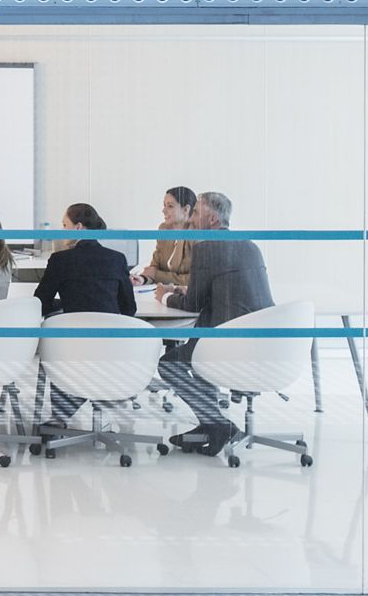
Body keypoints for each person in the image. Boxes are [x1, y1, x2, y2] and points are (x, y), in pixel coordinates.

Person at [160, 191, 272, 456]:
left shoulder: (207, 248)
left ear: (211, 219)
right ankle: (211, 426)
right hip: (262, 344)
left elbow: (192, 304)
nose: (191, 220)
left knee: (169, 364)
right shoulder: (249, 245)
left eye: (196, 213)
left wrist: (165, 295)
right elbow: (224, 288)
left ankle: (218, 425)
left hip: (229, 345)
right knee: (198, 352)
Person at [32, 203, 136, 431]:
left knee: (59, 347)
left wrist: (66, 303)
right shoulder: (117, 259)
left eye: (64, 225)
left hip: (73, 349)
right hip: (112, 349)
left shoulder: (60, 260)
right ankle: (99, 401)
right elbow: (129, 308)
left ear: (78, 227)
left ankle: (60, 418)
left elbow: (40, 303)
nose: (62, 231)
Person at [136, 185, 197, 290]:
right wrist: (143, 279)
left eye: (170, 206)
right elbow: (154, 266)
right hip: (161, 294)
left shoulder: (196, 235)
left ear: (186, 209)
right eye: (164, 205)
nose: (164, 211)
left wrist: (158, 275)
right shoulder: (164, 229)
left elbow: (194, 279)